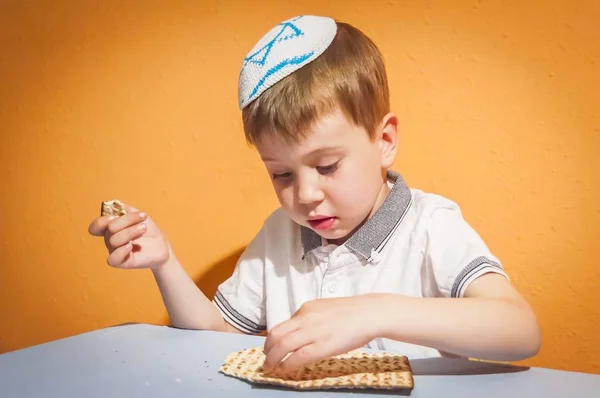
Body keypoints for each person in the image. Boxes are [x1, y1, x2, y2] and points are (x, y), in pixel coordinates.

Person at [88, 15, 541, 373]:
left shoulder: (430, 225)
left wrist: (373, 313)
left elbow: (519, 330)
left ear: (384, 141)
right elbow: (217, 331)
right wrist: (164, 263)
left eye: (327, 166)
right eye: (281, 174)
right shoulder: (280, 234)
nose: (304, 195)